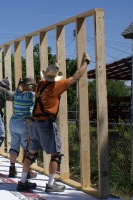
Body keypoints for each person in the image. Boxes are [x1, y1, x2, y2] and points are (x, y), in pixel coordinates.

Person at [16, 52, 90, 192]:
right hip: (46, 125)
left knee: (31, 153)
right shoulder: (57, 86)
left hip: (34, 124)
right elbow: (76, 77)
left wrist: (54, 67)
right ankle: (50, 185)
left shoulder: (40, 84)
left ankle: (22, 182)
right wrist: (85, 62)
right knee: (55, 155)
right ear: (55, 77)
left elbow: (44, 76)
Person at [8, 77, 37, 179]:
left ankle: (12, 169)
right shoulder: (30, 95)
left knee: (14, 146)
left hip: (13, 122)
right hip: (24, 123)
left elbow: (18, 90)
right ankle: (28, 171)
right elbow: (39, 92)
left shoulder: (16, 95)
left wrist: (21, 84)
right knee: (27, 148)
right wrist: (34, 86)